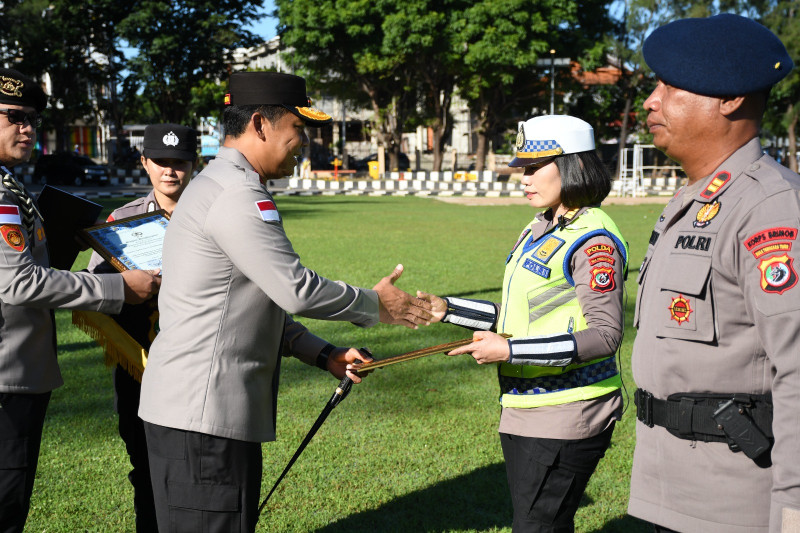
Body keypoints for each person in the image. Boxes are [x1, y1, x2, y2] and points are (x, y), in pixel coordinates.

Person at [137, 71, 432, 533]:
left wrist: (323, 353)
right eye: (298, 129)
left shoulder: (218, 183)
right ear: (260, 124)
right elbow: (295, 288)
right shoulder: (237, 193)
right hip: (203, 419)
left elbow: (246, 303)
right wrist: (377, 305)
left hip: (197, 413)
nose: (303, 143)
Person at [627, 14, 800, 533]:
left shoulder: (771, 208)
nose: (650, 101)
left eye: (670, 85)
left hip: (733, 508)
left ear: (729, 99)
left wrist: (792, 512)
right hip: (668, 491)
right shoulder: (693, 200)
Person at [419, 114, 628, 532]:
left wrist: (510, 351)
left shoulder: (593, 238)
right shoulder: (540, 227)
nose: (524, 178)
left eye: (535, 168)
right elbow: (516, 317)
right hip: (525, 406)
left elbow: (605, 335)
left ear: (573, 166)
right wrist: (444, 309)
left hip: (568, 410)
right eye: (523, 169)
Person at [0, 68, 160, 533]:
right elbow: (20, 284)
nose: (28, 128)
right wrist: (118, 289)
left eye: (33, 119)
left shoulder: (10, 184)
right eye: (15, 117)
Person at [84, 123, 197, 532]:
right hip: (139, 365)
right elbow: (93, 286)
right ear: (145, 163)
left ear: (193, 165)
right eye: (161, 162)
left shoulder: (213, 218)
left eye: (179, 162)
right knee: (144, 466)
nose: (170, 171)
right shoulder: (121, 220)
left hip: (196, 366)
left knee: (194, 471)